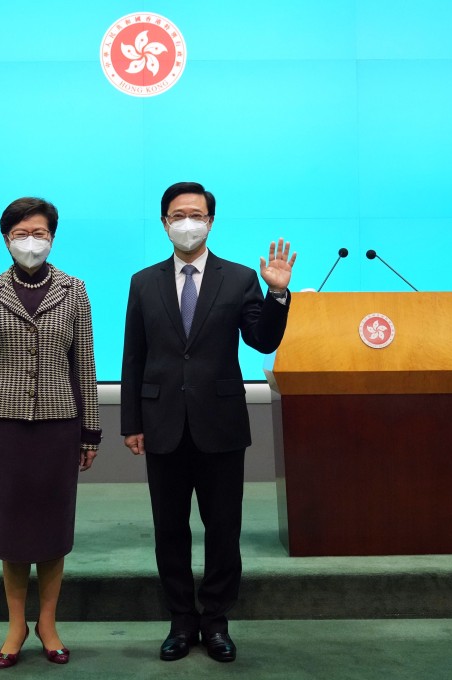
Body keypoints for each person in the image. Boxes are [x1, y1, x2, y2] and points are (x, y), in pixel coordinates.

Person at [120, 181, 296, 663]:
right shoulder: (143, 281)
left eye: (196, 215)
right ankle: (181, 620)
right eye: (178, 215)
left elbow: (262, 340)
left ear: (211, 222)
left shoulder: (239, 278)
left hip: (220, 424)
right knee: (169, 529)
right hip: (161, 423)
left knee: (223, 529)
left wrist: (278, 293)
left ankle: (216, 621)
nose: (187, 223)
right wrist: (131, 421)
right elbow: (134, 356)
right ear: (164, 223)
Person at [0, 196, 101, 669]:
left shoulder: (74, 289)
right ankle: (16, 626)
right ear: (6, 239)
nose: (31, 242)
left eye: (40, 233)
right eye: (21, 234)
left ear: (52, 238)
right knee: (11, 531)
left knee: (53, 529)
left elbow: (85, 364)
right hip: (6, 424)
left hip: (59, 423)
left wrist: (90, 432)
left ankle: (48, 624)